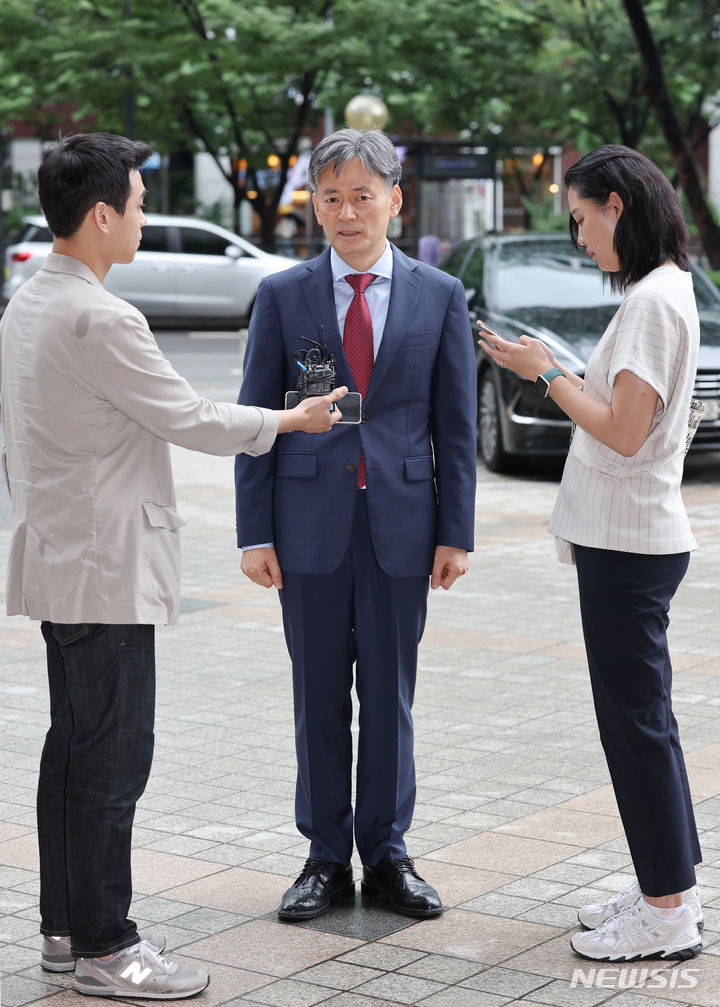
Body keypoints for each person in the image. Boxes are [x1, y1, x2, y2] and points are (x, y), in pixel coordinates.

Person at [0, 131, 346, 1000]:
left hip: (60, 553)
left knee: (72, 754)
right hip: (106, 565)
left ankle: (64, 932)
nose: (147, 217)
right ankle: (109, 946)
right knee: (112, 760)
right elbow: (188, 415)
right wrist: (290, 421)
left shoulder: (29, 299)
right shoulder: (100, 314)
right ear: (103, 213)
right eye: (141, 202)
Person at [235, 128, 477, 922]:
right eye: (331, 196)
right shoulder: (283, 294)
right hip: (306, 529)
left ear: (394, 201)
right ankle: (323, 857)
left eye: (361, 195)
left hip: (403, 528)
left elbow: (456, 424)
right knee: (316, 697)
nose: (346, 212)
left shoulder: (440, 294)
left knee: (390, 696)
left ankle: (389, 851)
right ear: (316, 203)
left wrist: (457, 530)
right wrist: (253, 531)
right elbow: (255, 419)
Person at [479, 144, 703, 963]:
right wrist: (557, 367)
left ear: (616, 204)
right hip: (635, 537)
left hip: (629, 542)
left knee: (635, 728)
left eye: (580, 219)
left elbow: (623, 427)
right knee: (649, 724)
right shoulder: (667, 288)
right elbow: (625, 409)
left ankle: (667, 909)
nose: (579, 239)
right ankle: (666, 885)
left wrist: (546, 374)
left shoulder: (650, 300)